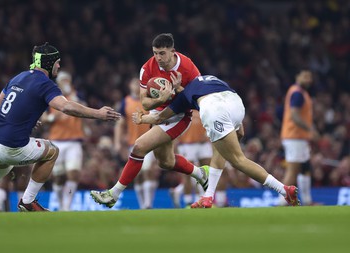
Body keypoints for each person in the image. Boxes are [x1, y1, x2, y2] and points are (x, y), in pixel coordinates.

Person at [0, 42, 121, 213]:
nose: (59, 66)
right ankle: (28, 201)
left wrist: (20, 118)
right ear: (48, 63)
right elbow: (66, 107)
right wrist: (98, 113)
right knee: (52, 151)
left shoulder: (19, 77)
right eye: (57, 62)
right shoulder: (45, 84)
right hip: (9, 144)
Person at [132, 75, 301, 207]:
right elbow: (240, 130)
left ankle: (284, 190)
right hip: (236, 104)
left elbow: (161, 117)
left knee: (237, 160)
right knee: (220, 151)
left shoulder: (183, 97)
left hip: (214, 109)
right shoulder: (207, 79)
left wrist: (142, 119)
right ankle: (207, 197)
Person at [90, 33, 209, 208]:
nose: (158, 58)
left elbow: (200, 98)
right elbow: (144, 102)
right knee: (165, 162)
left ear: (172, 51)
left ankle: (112, 194)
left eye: (162, 53)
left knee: (139, 147)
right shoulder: (147, 68)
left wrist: (179, 90)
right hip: (157, 114)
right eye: (155, 53)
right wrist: (162, 99)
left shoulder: (188, 67)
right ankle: (200, 174)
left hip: (178, 116)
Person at [41, 70, 87, 211]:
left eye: (67, 80)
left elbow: (84, 107)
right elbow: (43, 118)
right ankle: (61, 204)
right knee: (58, 177)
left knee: (73, 173)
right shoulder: (52, 97)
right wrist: (52, 118)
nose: (65, 82)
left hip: (74, 141)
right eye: (63, 80)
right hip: (57, 140)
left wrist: (72, 95)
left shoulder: (77, 95)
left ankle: (67, 206)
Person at [114, 77, 158, 209]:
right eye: (134, 83)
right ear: (129, 86)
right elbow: (120, 124)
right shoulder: (125, 102)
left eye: (139, 84)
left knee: (148, 170)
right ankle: (142, 204)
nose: (137, 86)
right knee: (137, 174)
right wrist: (117, 142)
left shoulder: (150, 101)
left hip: (150, 140)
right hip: (132, 143)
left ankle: (148, 203)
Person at [280, 70, 317, 206]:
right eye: (305, 76)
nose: (308, 79)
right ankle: (281, 202)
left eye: (310, 77)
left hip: (299, 137)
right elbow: (295, 116)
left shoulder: (300, 92)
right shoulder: (297, 93)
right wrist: (310, 129)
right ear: (297, 77)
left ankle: (307, 201)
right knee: (293, 169)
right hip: (294, 136)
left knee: (305, 168)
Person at [171, 110, 213, 208]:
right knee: (188, 174)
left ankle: (202, 200)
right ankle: (188, 202)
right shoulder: (183, 107)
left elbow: (211, 122)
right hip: (187, 144)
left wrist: (207, 134)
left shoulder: (203, 106)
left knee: (206, 171)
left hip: (203, 143)